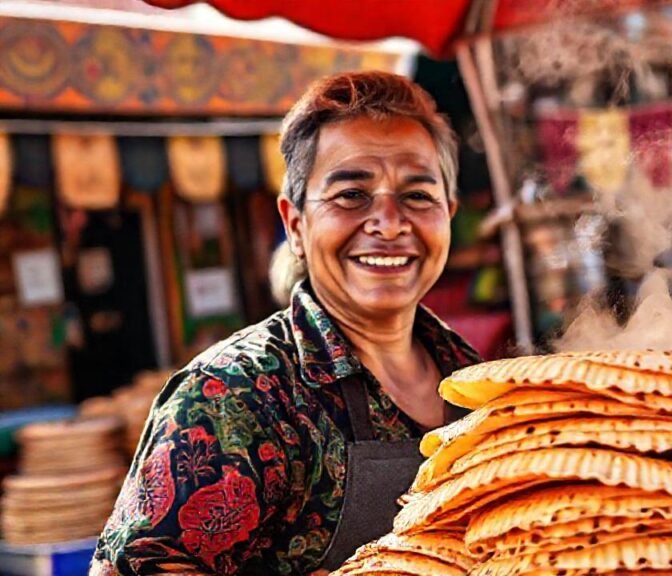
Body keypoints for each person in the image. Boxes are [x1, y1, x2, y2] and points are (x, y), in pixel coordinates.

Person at [90, 72, 480, 575]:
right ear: (296, 225)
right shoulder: (236, 396)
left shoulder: (473, 382)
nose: (389, 223)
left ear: (448, 213)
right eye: (351, 195)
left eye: (418, 196)